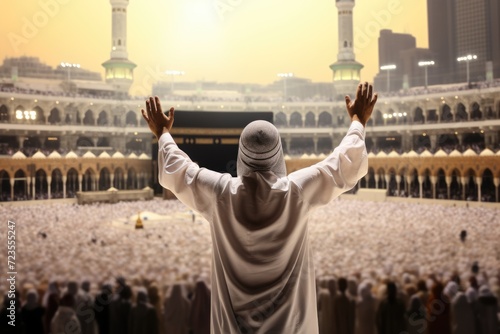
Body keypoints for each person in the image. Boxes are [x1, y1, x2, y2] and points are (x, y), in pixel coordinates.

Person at [141, 82, 377, 333]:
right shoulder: (296, 193)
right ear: (278, 155)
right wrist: (358, 121)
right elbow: (344, 164)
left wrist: (163, 133)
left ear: (242, 154)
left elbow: (179, 171)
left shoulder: (221, 194)